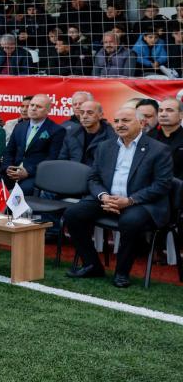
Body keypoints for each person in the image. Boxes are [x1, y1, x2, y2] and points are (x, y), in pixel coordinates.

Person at [63, 106, 173, 287]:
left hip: (141, 202)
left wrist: (129, 201)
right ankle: (92, 265)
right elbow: (93, 177)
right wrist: (103, 196)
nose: (120, 125)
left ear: (141, 122)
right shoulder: (105, 146)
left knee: (129, 222)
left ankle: (122, 273)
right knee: (73, 214)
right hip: (108, 198)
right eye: (116, 121)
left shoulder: (159, 150)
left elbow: (162, 185)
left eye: (126, 121)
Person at [1, 95, 67, 194]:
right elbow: (9, 151)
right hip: (12, 172)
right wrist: (7, 168)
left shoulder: (56, 130)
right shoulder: (19, 127)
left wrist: (28, 171)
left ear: (48, 110)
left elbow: (51, 158)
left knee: (20, 192)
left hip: (35, 175)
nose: (33, 108)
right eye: (32, 105)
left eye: (39, 106)